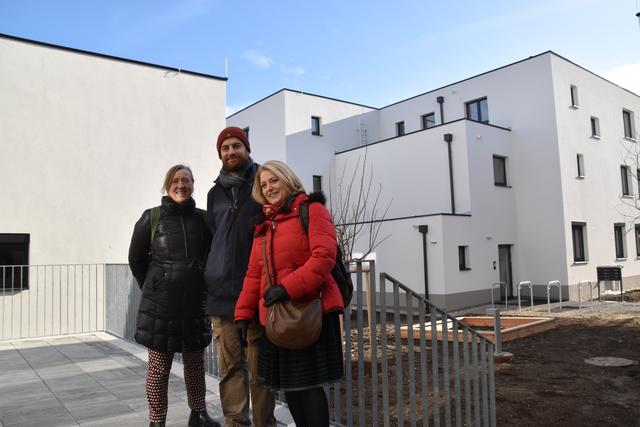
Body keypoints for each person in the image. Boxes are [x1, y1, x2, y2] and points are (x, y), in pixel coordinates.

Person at [234, 160, 344, 427]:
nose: (269, 187)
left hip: (310, 313)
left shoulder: (312, 210)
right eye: (264, 184)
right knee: (291, 388)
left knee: (309, 387)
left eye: (274, 180)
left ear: (287, 179)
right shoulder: (264, 224)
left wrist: (286, 288)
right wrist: (242, 314)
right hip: (277, 319)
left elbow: (324, 257)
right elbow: (253, 274)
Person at [128, 165, 220, 427]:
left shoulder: (203, 220)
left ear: (193, 184)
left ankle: (198, 414)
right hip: (161, 309)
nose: (181, 185)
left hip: (194, 306)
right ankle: (157, 422)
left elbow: (213, 256)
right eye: (176, 181)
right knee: (158, 370)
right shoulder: (151, 217)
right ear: (167, 185)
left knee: (194, 366)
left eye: (186, 180)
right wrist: (153, 286)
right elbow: (136, 259)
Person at [203, 127, 276, 427]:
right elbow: (212, 237)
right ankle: (235, 422)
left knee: (260, 370)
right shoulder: (213, 193)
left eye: (236, 146)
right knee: (231, 368)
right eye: (225, 148)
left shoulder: (263, 182)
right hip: (222, 295)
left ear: (247, 148)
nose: (231, 152)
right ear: (219, 154)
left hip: (257, 291)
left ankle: (264, 423)